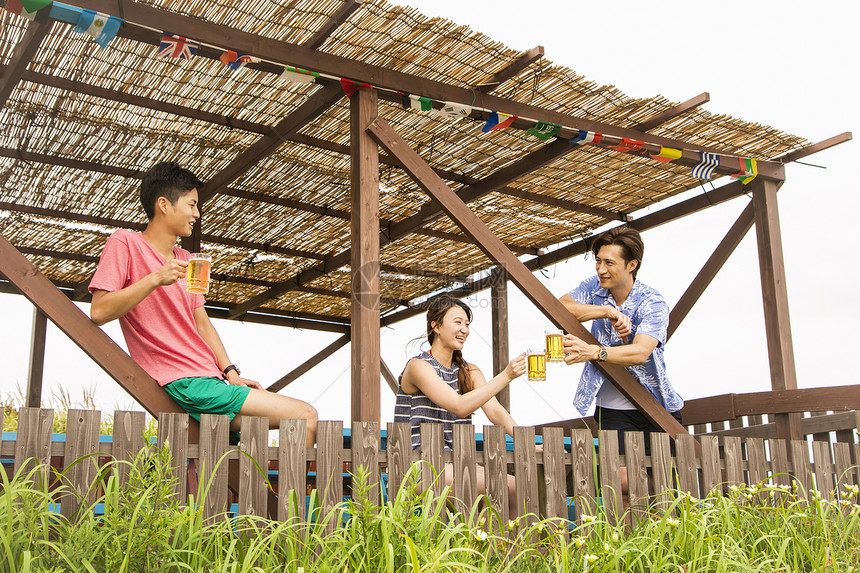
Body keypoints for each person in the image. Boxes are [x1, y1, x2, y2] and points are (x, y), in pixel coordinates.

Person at [89, 161, 318, 446]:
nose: (197, 214)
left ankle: (281, 492)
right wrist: (155, 278)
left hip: (210, 380)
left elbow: (201, 322)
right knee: (305, 416)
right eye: (191, 204)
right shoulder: (125, 243)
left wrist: (230, 372)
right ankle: (294, 493)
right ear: (163, 204)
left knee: (245, 451)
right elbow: (99, 311)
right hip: (184, 381)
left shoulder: (187, 259)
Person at [559, 227, 683, 493]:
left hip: (657, 407)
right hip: (612, 411)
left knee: (665, 490)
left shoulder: (653, 302)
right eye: (598, 261)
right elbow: (560, 307)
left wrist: (595, 352)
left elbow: (640, 353)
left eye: (609, 263)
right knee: (622, 486)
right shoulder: (594, 289)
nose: (601, 269)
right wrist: (605, 311)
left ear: (632, 265)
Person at [394, 296, 527, 517]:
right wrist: (506, 375)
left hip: (456, 462)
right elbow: (458, 406)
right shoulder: (418, 366)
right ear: (435, 326)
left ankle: (497, 549)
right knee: (502, 487)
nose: (464, 329)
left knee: (516, 486)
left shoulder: (469, 371)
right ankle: (485, 547)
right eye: (457, 322)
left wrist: (527, 442)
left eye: (467, 324)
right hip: (417, 465)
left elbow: (495, 411)